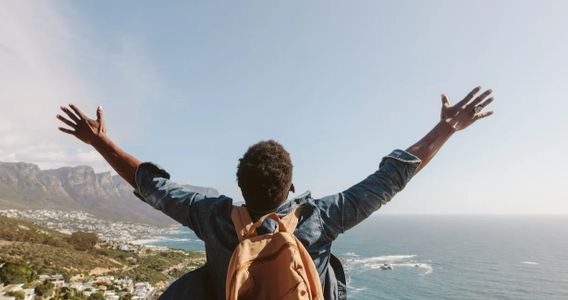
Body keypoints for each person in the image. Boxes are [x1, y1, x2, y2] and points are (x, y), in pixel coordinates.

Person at [56, 86, 495, 300]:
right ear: (291, 185)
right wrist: (446, 127)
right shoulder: (322, 217)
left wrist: (101, 143)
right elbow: (390, 178)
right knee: (334, 273)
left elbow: (151, 186)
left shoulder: (211, 216)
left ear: (239, 186)